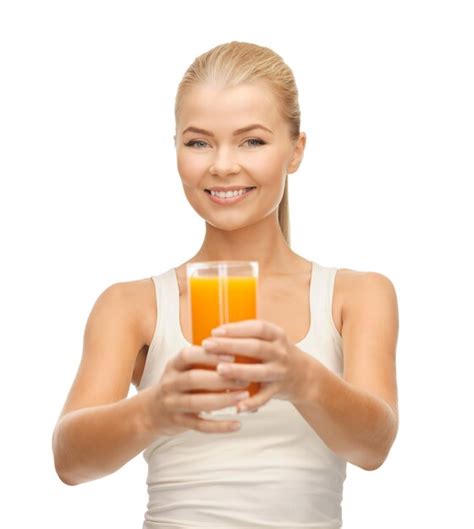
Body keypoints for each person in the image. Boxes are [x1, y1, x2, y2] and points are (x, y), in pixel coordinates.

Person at [52, 41, 399, 529]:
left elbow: (373, 446)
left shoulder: (356, 296)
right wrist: (152, 410)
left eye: (252, 141)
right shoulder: (131, 305)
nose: (222, 165)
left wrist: (303, 378)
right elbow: (70, 462)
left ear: (296, 150)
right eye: (198, 142)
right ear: (175, 148)